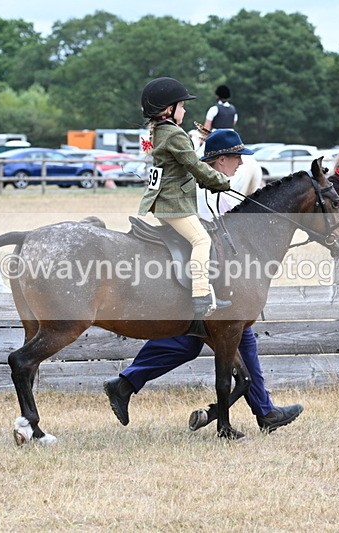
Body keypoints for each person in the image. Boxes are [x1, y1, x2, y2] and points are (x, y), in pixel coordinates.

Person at [105, 129, 304, 434]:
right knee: (194, 339)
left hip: (211, 263)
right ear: (221, 159)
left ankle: (264, 411)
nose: (239, 164)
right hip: (198, 265)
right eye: (236, 158)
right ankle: (127, 384)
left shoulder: (207, 176)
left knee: (229, 338)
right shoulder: (200, 181)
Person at [138, 77, 232, 318]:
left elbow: (181, 168)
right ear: (169, 110)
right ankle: (201, 296)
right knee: (201, 240)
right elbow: (195, 166)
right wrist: (220, 182)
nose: (185, 109)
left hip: (163, 201)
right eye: (181, 106)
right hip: (174, 205)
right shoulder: (175, 134)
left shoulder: (159, 131)